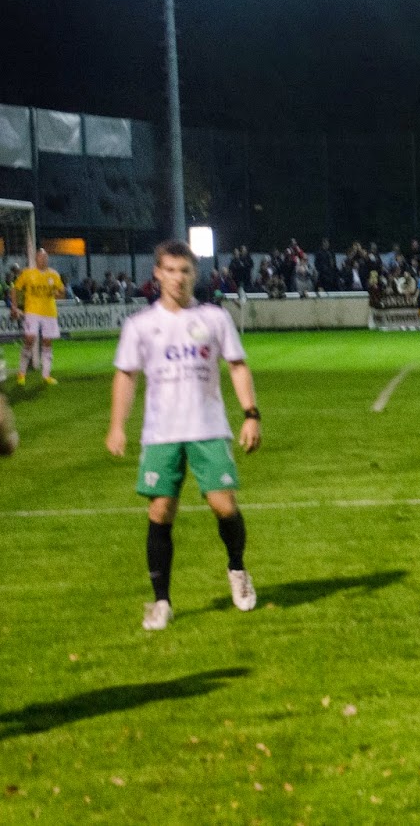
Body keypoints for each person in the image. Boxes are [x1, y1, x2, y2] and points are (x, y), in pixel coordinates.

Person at [106, 240, 262, 632]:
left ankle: (238, 570)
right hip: (161, 433)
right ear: (157, 273)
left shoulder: (213, 318)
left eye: (185, 271)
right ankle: (161, 602)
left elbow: (238, 366)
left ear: (195, 274)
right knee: (160, 512)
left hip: (208, 428)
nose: (178, 278)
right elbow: (126, 375)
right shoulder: (140, 325)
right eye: (171, 270)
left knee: (224, 506)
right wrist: (116, 425)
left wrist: (250, 414)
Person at [11, 248, 68, 386]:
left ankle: (46, 375)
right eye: (41, 257)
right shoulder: (28, 273)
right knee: (30, 339)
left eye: (45, 257)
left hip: (49, 313)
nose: (43, 260)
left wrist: (57, 294)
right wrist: (14, 306)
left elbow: (62, 293)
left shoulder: (53, 275)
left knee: (47, 342)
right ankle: (22, 373)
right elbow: (15, 288)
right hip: (32, 312)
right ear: (36, 259)